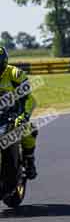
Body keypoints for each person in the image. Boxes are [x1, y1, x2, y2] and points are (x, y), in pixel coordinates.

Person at [0, 46, 38, 179]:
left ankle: (29, 160)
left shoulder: (15, 74)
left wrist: (24, 115)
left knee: (28, 129)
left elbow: (29, 99)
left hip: (14, 113)